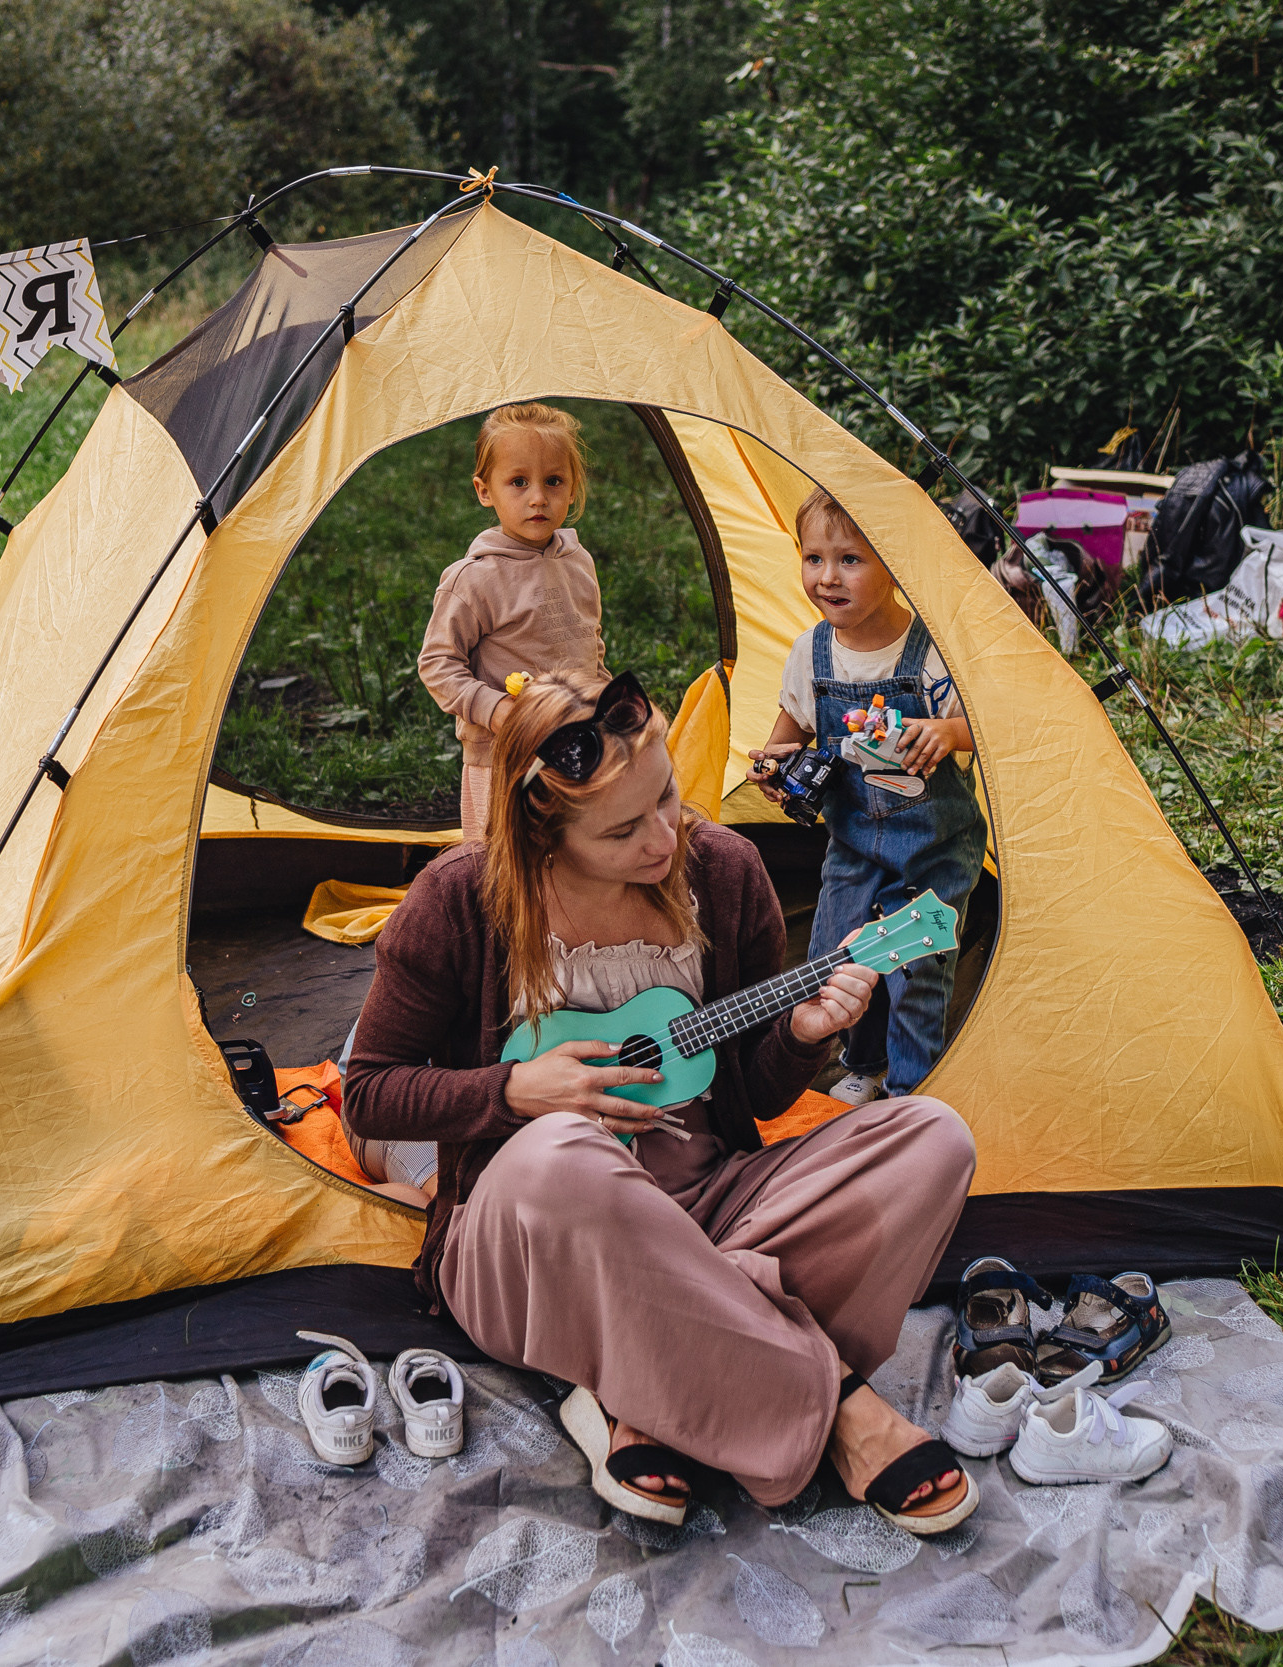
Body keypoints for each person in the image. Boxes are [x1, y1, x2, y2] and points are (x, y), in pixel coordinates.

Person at [342, 669, 979, 1531]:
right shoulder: (461, 899)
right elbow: (370, 1093)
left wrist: (801, 1035)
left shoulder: (724, 870)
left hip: (714, 1204)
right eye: (622, 829)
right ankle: (837, 1406)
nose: (664, 837)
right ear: (544, 837)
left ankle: (637, 1379)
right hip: (537, 1236)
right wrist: (514, 1090)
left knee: (934, 1138)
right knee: (561, 1155)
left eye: (668, 797)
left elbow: (748, 1090)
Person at [747, 489, 989, 1105]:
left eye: (850, 559)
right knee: (838, 959)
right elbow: (788, 735)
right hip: (852, 840)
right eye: (813, 559)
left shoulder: (930, 651)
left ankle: (910, 1090)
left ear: (894, 564)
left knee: (917, 968)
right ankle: (864, 1064)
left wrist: (948, 731)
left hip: (934, 844)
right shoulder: (811, 653)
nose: (828, 577)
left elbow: (983, 729)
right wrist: (773, 770)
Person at [418, 403, 608, 842]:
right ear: (485, 491)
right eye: (518, 482)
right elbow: (438, 664)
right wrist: (495, 709)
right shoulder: (475, 579)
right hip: (505, 757)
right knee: (506, 870)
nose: (538, 497)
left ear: (574, 488)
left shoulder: (578, 562)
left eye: (553, 481)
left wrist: (605, 708)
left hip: (576, 747)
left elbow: (589, 646)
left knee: (573, 859)